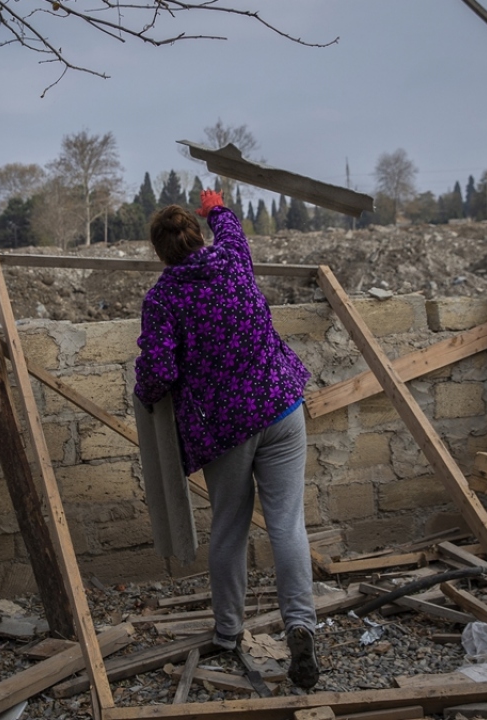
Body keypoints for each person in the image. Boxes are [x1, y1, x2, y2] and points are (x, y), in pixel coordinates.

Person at [134, 190, 319, 690]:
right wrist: (214, 204)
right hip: (282, 405)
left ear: (161, 252)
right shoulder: (234, 259)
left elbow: (159, 370)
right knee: (287, 524)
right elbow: (232, 227)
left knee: (230, 527)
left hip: (226, 427)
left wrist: (144, 393)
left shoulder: (164, 299)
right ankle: (300, 624)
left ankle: (227, 631)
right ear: (198, 236)